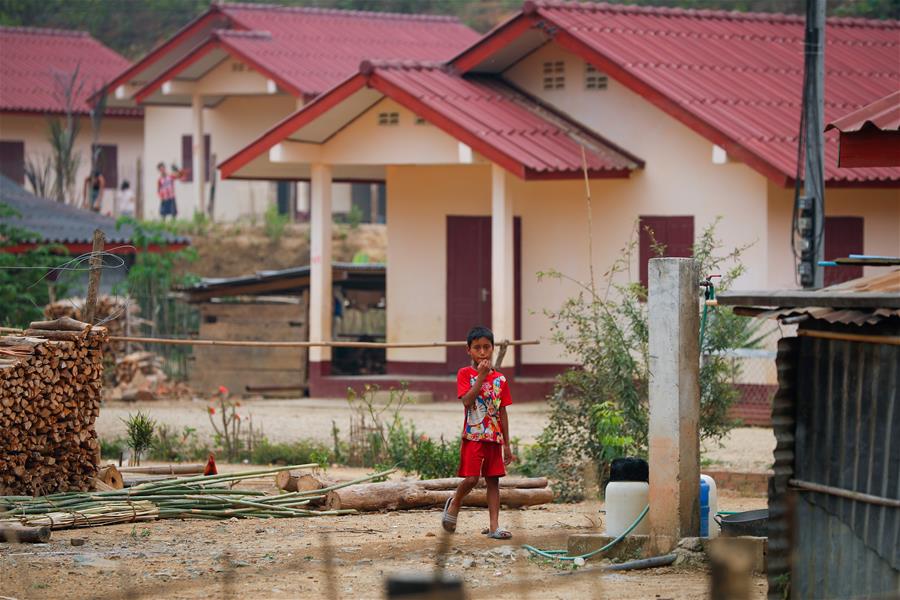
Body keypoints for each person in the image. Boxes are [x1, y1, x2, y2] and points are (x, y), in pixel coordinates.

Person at [441, 325, 515, 539]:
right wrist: (481, 377)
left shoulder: (501, 380)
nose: (482, 352)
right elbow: (466, 401)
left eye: (486, 347)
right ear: (469, 350)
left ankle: (494, 527)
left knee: (494, 481)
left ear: (492, 348)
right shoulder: (465, 374)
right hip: (473, 436)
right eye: (477, 348)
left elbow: (503, 412)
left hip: (494, 438)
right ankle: (455, 501)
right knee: (472, 478)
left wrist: (507, 444)